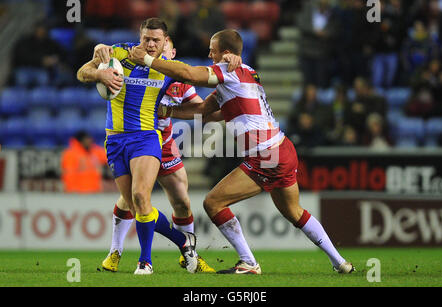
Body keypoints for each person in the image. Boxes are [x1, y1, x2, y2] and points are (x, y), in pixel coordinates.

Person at [128, 29, 354, 274]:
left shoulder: (227, 71)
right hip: (282, 148)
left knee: (213, 203)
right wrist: (168, 112)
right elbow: (204, 111)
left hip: (265, 155)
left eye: (212, 50)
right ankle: (340, 262)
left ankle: (249, 262)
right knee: (294, 212)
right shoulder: (245, 73)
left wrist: (148, 60)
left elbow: (188, 74)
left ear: (226, 53)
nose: (209, 54)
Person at [76, 18, 200, 275]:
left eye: (157, 40)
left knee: (142, 196)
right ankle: (183, 242)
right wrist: (100, 72)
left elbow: (193, 85)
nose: (151, 44)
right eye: (147, 39)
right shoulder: (119, 54)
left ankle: (145, 262)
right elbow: (81, 73)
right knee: (136, 206)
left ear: (165, 41)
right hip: (115, 140)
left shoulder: (167, 67)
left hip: (146, 138)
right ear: (140, 37)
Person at [94, 37, 216, 273]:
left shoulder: (179, 81)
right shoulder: (135, 68)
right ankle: (117, 251)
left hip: (164, 142)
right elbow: (108, 55)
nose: (160, 55)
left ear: (172, 53)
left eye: (165, 51)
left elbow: (201, 109)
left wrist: (172, 110)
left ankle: (188, 254)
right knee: (135, 200)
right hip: (135, 138)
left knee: (180, 200)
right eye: (155, 49)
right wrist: (100, 48)